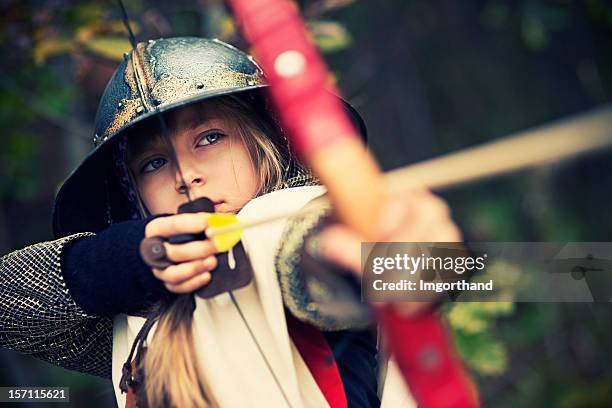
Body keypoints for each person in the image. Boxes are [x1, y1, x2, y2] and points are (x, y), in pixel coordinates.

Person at [0, 37, 464, 407]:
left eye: (210, 137)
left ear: (265, 148)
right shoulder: (139, 316)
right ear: (134, 196)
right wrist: (120, 263)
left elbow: (312, 256)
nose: (185, 176)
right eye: (153, 164)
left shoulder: (286, 227)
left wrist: (420, 260)